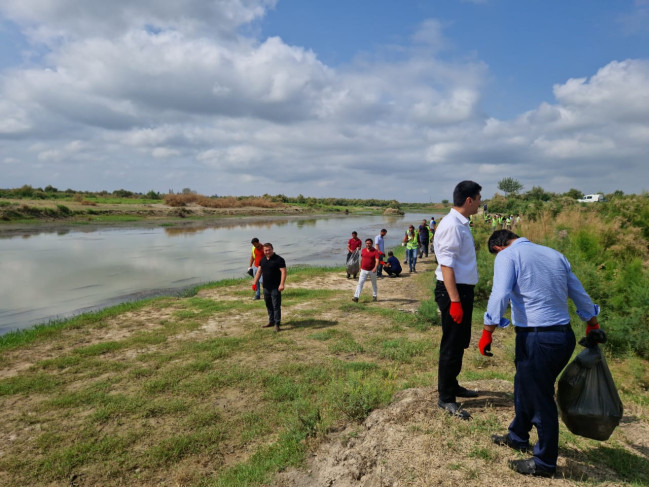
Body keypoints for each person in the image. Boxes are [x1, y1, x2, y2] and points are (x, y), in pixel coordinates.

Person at [479, 229, 601, 478]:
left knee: (540, 397)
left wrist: (487, 330)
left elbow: (500, 294)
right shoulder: (554, 254)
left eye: (495, 255)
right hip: (561, 336)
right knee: (524, 384)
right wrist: (592, 321)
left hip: (537, 338)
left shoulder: (507, 256)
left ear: (499, 247)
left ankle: (544, 462)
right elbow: (577, 291)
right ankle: (517, 436)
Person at [433, 180, 482, 419]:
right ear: (469, 200)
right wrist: (454, 301)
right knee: (451, 344)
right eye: (479, 198)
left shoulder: (462, 223)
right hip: (453, 291)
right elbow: (446, 266)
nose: (481, 203)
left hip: (462, 290)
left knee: (461, 340)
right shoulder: (451, 224)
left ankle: (453, 385)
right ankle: (445, 398)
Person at [252, 243, 286, 332]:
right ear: (263, 251)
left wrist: (282, 284)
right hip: (266, 287)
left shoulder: (279, 259)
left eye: (269, 250)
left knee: (276, 306)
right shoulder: (262, 260)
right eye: (266, 250)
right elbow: (259, 272)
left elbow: (283, 272)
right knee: (268, 305)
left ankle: (277, 324)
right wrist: (254, 283)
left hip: (276, 287)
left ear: (272, 249)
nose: (267, 252)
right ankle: (271, 321)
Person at [352, 238, 379, 302]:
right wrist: (360, 267)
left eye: (369, 243)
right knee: (360, 283)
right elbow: (362, 259)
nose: (368, 244)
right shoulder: (363, 250)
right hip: (363, 270)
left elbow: (377, 260)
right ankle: (356, 297)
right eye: (367, 243)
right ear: (365, 244)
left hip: (372, 270)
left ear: (372, 244)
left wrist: (375, 268)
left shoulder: (375, 251)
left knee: (374, 283)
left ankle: (374, 296)